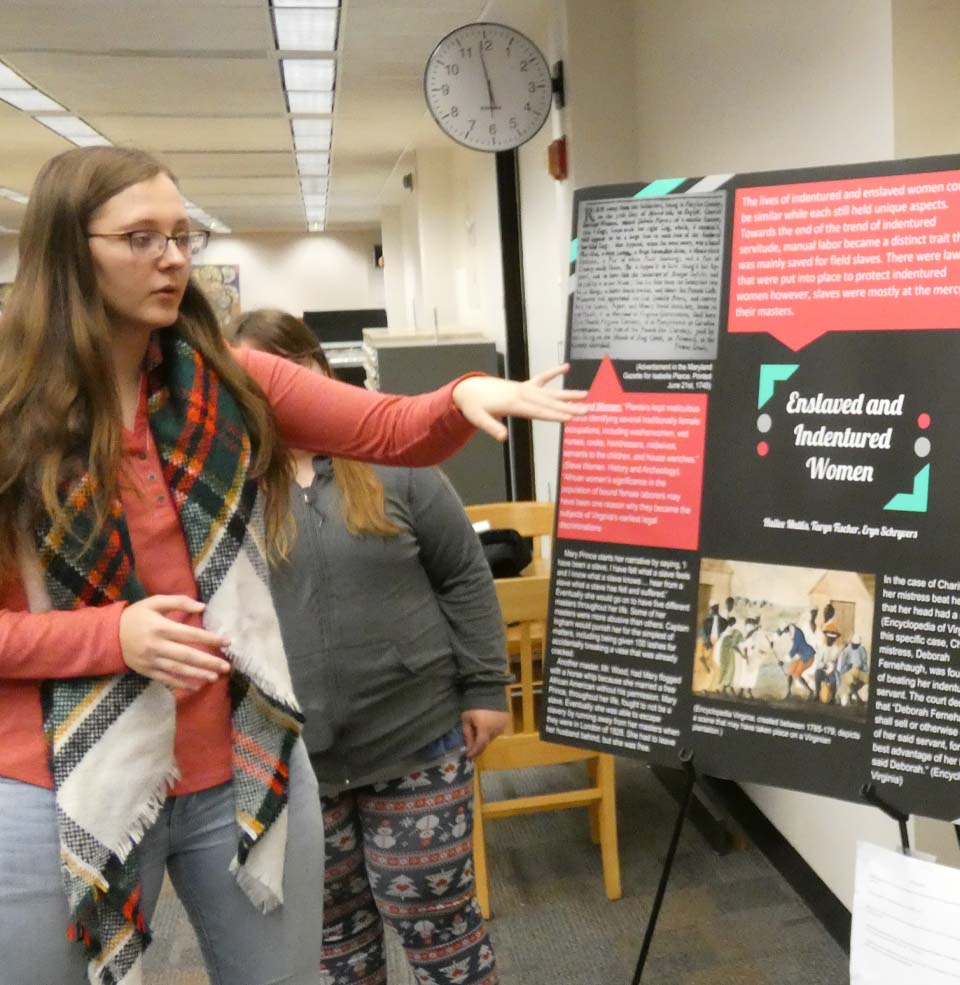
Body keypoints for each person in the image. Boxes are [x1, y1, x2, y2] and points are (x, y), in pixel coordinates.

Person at [0, 145, 584, 985]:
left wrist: (458, 399)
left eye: (181, 234)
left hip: (240, 761)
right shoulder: (13, 416)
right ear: (66, 249)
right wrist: (109, 636)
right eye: (140, 237)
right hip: (57, 779)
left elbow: (389, 429)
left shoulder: (229, 385)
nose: (171, 257)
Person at [231, 309, 510, 985]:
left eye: (291, 373)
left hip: (414, 741)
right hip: (295, 762)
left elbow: (464, 572)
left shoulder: (396, 463)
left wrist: (485, 685)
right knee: (335, 943)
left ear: (319, 373)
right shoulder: (229, 488)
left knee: (441, 927)